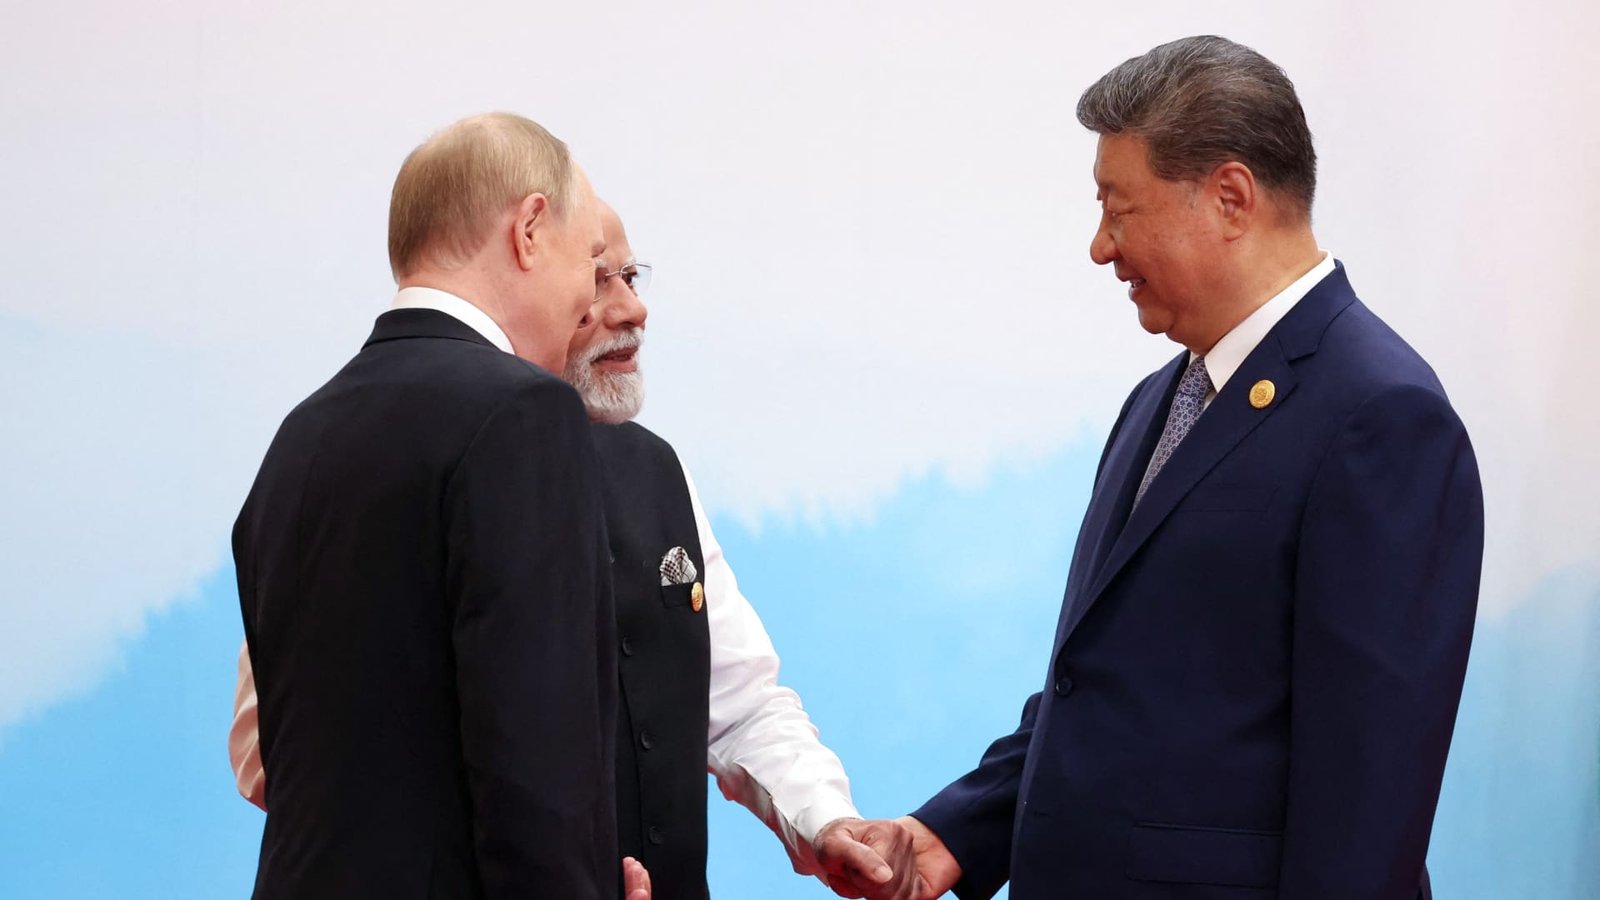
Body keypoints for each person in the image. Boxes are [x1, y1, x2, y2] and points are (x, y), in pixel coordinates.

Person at [840, 36, 1485, 900]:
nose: (1100, 247)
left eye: (1119, 208)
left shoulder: (1382, 417)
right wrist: (956, 832)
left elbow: (1369, 796)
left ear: (1230, 197)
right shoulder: (1159, 398)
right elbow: (1109, 689)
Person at [231, 201, 918, 899]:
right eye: (596, 280)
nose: (632, 311)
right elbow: (274, 752)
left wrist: (825, 820)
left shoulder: (656, 469)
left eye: (632, 276)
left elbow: (741, 702)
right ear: (532, 281)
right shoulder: (392, 464)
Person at [231, 112, 646, 899]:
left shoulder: (302, 433)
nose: (587, 306)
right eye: (589, 263)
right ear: (529, 230)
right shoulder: (524, 414)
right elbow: (538, 766)